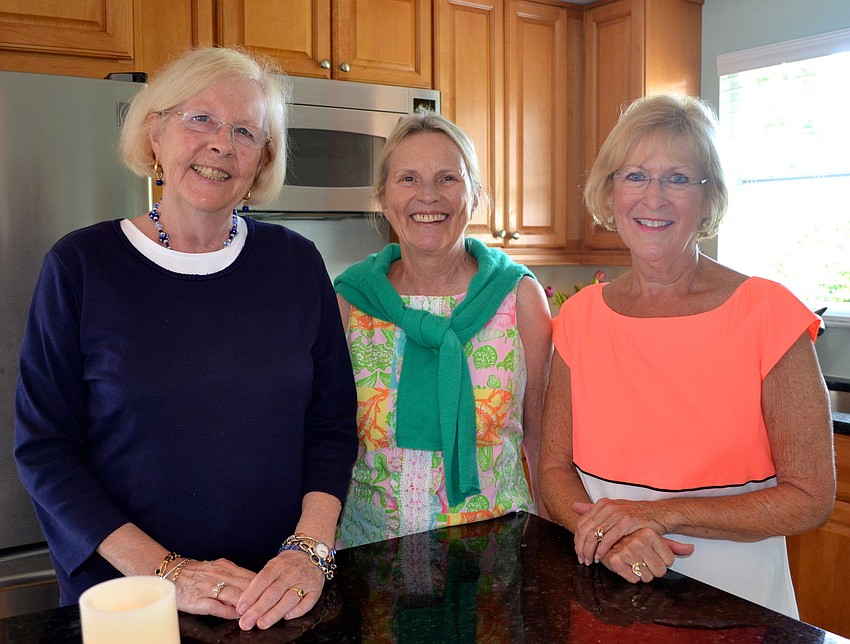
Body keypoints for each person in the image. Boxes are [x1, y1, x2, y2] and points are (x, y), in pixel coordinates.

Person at [14, 46, 358, 631]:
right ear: (155, 134)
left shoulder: (296, 264)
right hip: (132, 598)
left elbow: (330, 426)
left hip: (273, 593)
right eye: (200, 118)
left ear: (261, 161)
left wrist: (309, 551)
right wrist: (166, 571)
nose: (222, 143)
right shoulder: (81, 265)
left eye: (246, 131)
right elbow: (45, 450)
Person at [538, 94, 836, 618]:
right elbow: (555, 470)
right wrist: (613, 537)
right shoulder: (580, 319)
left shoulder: (769, 316)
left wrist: (654, 516)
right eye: (634, 176)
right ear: (609, 193)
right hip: (608, 596)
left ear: (709, 199)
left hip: (737, 606)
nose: (653, 198)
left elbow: (811, 497)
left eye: (678, 178)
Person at [334, 110, 553, 548]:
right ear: (383, 196)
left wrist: (552, 547)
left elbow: (542, 441)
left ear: (474, 195)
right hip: (369, 551)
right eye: (408, 179)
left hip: (493, 554)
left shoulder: (518, 297)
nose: (428, 196)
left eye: (448, 178)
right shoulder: (351, 301)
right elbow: (329, 441)